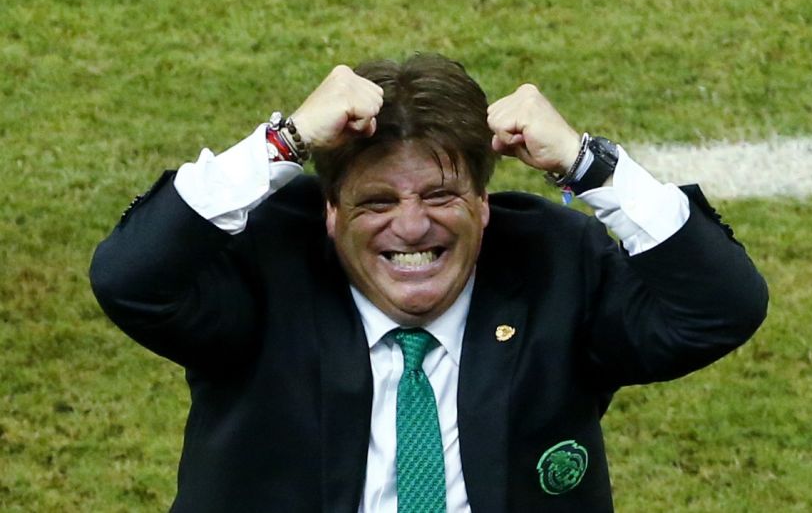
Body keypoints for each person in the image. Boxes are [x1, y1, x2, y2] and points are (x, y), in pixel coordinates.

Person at [90, 53, 768, 512]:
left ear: (483, 205)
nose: (410, 228)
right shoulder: (270, 261)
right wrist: (285, 142)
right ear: (328, 215)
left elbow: (719, 308)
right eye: (376, 203)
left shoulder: (553, 266)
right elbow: (130, 279)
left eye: (441, 196)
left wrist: (590, 166)